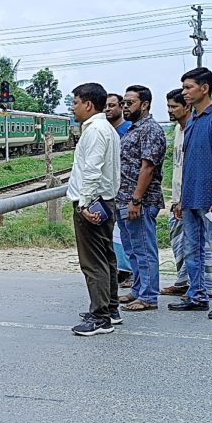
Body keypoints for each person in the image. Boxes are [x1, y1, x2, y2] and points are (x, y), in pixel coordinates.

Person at [170, 67, 212, 320]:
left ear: (204, 88)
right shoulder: (193, 121)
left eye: (188, 87)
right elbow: (186, 164)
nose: (184, 92)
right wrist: (180, 199)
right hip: (190, 200)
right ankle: (196, 295)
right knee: (192, 250)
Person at [67, 83, 122, 336]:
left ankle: (100, 318)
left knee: (93, 262)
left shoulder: (95, 131)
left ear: (88, 104)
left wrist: (85, 203)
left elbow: (92, 170)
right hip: (105, 200)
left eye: (75, 102)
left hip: (93, 202)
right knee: (107, 257)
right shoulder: (105, 129)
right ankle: (110, 308)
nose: (72, 107)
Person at [115, 85, 166, 312]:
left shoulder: (150, 130)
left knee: (144, 249)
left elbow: (147, 168)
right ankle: (138, 289)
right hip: (124, 198)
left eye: (130, 103)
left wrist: (136, 200)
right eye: (124, 103)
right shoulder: (133, 129)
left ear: (144, 105)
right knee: (132, 249)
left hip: (139, 201)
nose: (125, 107)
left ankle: (148, 296)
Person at [161, 89, 212, 297]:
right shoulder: (177, 130)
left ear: (187, 107)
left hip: (196, 197)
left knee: (201, 245)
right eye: (168, 107)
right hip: (179, 197)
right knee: (180, 243)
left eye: (174, 106)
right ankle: (185, 281)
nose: (170, 111)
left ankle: (206, 286)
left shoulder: (197, 128)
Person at [105, 92, 133, 286]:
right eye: (105, 105)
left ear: (121, 107)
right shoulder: (105, 130)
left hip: (127, 191)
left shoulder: (129, 129)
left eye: (112, 105)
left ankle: (130, 272)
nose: (108, 109)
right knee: (114, 234)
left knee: (128, 235)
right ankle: (119, 270)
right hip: (110, 191)